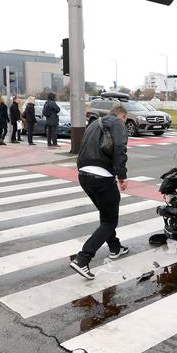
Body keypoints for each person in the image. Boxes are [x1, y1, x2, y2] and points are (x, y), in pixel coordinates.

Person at [70, 105, 129, 280]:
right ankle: (83, 259)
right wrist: (122, 176)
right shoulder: (118, 123)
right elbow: (119, 148)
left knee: (106, 215)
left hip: (83, 175)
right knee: (110, 221)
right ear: (123, 116)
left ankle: (115, 247)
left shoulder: (94, 124)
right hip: (102, 176)